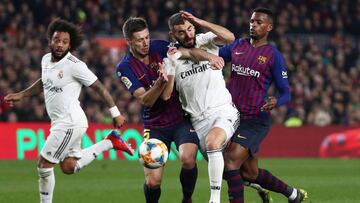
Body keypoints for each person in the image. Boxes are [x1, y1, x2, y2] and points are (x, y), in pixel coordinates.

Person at [4, 19, 134, 203]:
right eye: (57, 40)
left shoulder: (75, 65)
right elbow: (44, 81)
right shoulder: (45, 60)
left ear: (69, 44)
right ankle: (110, 142)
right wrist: (22, 95)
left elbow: (99, 88)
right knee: (68, 167)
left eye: (64, 42)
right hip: (62, 122)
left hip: (69, 122)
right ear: (50, 41)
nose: (59, 45)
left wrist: (115, 112)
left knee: (44, 166)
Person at [116, 17, 224, 203]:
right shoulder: (125, 67)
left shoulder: (159, 47)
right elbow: (145, 99)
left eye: (147, 37)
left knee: (188, 159)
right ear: (129, 42)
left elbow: (188, 53)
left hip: (180, 118)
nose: (145, 42)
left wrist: (210, 56)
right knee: (153, 182)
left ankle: (187, 199)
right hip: (155, 125)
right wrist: (160, 83)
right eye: (140, 39)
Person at [219, 8, 308, 203]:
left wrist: (277, 101)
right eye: (252, 21)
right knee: (250, 174)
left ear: (269, 27)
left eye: (259, 22)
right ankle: (293, 194)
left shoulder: (273, 56)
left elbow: (286, 92)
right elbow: (213, 56)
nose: (253, 25)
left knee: (231, 162)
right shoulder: (237, 46)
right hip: (230, 116)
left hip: (254, 119)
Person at [163, 11, 238, 203]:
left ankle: (214, 200)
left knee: (214, 143)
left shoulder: (206, 39)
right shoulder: (171, 57)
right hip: (198, 122)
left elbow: (230, 37)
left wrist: (200, 21)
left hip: (223, 110)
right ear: (173, 36)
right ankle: (284, 191)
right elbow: (188, 54)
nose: (188, 35)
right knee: (233, 173)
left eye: (190, 29)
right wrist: (170, 69)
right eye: (181, 32)